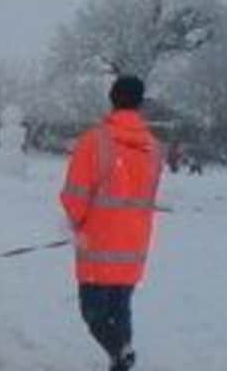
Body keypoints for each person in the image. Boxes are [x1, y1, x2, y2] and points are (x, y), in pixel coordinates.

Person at [58, 75, 161, 371]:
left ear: (111, 99)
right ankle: (120, 359)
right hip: (134, 247)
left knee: (94, 313)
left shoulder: (94, 141)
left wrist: (74, 225)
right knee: (120, 309)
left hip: (98, 246)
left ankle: (120, 351)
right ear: (140, 103)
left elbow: (75, 195)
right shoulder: (153, 148)